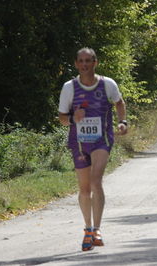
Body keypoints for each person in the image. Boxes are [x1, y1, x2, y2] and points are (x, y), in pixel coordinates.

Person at [58, 47, 128, 251]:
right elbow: (62, 119)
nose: (84, 64)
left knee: (96, 181)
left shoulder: (107, 84)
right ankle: (87, 228)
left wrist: (123, 122)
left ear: (95, 63)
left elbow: (119, 103)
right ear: (76, 64)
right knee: (84, 188)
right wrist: (73, 118)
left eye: (88, 60)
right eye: (81, 61)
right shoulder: (69, 87)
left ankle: (97, 228)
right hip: (79, 143)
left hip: (102, 140)